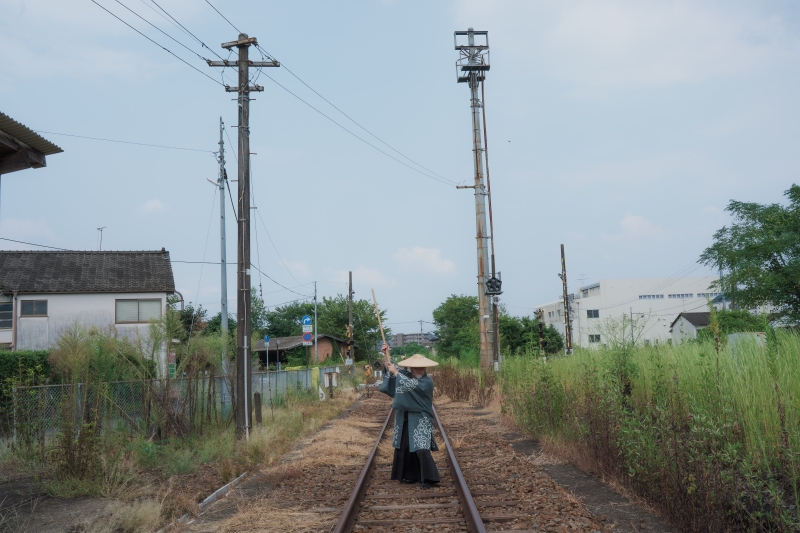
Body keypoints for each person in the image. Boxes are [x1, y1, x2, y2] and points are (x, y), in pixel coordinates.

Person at [378, 343, 440, 488]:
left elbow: (409, 383)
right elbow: (393, 370)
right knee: (404, 446)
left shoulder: (426, 382)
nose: (418, 370)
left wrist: (396, 373)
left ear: (425, 369)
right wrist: (387, 354)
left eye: (421, 368)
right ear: (411, 368)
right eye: (415, 368)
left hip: (421, 418)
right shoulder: (406, 375)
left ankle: (429, 478)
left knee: (421, 448)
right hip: (404, 416)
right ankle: (410, 476)